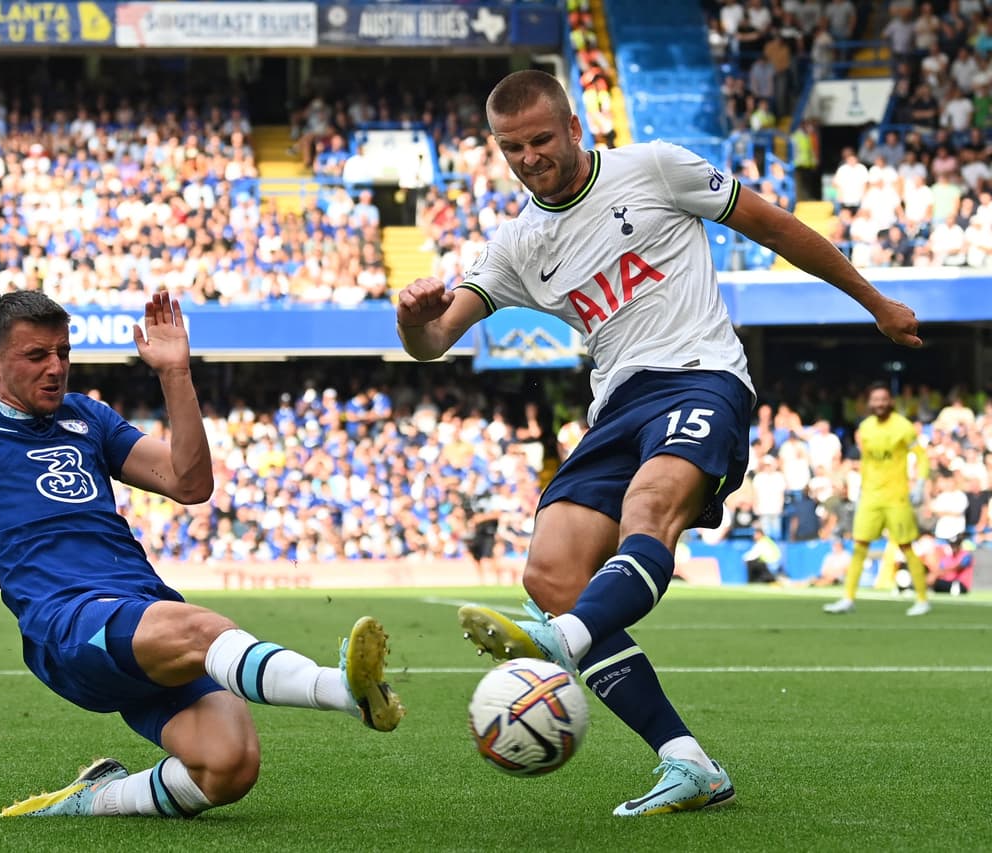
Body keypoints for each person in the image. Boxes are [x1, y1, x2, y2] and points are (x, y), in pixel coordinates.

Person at [394, 70, 921, 817]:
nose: (530, 156)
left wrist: (875, 303)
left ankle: (562, 642)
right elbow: (436, 340)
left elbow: (776, 227)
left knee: (648, 509)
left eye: (542, 138)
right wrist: (413, 318)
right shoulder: (515, 242)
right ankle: (687, 760)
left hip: (701, 378)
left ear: (574, 127)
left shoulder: (655, 168)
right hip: (616, 406)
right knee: (550, 573)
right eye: (512, 147)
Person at [0, 267, 404, 819]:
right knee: (201, 629)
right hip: (67, 621)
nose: (55, 367)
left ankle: (92, 799)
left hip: (138, 607)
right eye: (35, 355)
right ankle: (344, 691)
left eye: (63, 352)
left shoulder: (88, 416)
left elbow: (190, 483)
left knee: (229, 765)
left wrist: (175, 373)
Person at [823, 382, 932, 616]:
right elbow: (868, 463)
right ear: (870, 403)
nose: (880, 404)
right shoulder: (865, 428)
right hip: (870, 497)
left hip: (897, 497)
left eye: (883, 399)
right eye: (875, 400)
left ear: (890, 401)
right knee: (859, 545)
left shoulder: (903, 427)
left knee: (906, 547)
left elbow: (921, 457)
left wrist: (920, 484)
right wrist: (861, 490)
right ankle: (848, 598)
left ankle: (922, 599)